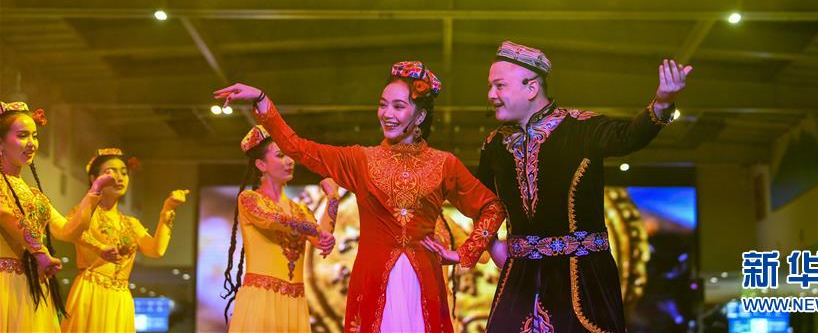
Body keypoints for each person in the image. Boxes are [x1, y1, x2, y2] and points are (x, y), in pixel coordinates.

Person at [214, 61, 505, 333]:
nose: (386, 114)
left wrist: (464, 253)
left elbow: (491, 206)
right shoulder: (360, 160)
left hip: (424, 286)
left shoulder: (444, 164)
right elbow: (299, 148)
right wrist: (262, 100)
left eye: (398, 106)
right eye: (382, 105)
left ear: (420, 116)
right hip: (373, 281)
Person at [475, 41, 691, 333]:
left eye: (499, 85)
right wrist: (491, 246)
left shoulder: (581, 128)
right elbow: (482, 203)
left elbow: (628, 136)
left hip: (582, 277)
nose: (491, 95)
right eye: (490, 86)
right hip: (520, 279)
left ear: (531, 87)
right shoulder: (494, 144)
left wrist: (662, 103)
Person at [0, 102, 116, 332]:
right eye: (22, 136)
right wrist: (40, 253)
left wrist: (94, 193)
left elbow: (67, 230)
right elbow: (6, 216)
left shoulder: (35, 195)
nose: (32, 143)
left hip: (30, 285)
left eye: (34, 136)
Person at [222, 125, 337, 333]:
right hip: (261, 301)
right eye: (280, 155)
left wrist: (333, 198)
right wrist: (316, 230)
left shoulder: (301, 210)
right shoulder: (250, 199)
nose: (290, 161)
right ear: (261, 164)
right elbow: (276, 220)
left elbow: (322, 239)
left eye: (290, 155)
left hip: (295, 303)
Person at [61, 148, 190, 333]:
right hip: (91, 293)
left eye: (124, 172)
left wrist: (168, 210)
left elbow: (156, 250)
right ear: (94, 179)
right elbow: (69, 232)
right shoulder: (83, 214)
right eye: (110, 171)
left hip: (121, 298)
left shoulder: (131, 223)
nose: (119, 177)